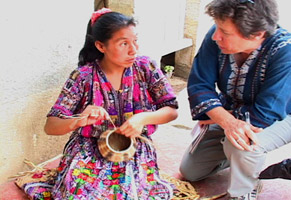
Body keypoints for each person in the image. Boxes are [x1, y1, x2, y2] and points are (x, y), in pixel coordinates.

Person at [23, 8, 179, 199]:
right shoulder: (83, 76)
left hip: (133, 150)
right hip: (88, 150)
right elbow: (51, 126)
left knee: (130, 193)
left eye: (135, 41)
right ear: (100, 46)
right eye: (123, 43)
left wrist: (143, 119)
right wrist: (79, 120)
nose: (133, 50)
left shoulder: (145, 67)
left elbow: (171, 110)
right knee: (78, 193)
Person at [179, 0, 291, 199]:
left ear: (257, 34)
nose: (216, 36)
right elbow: (199, 84)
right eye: (217, 27)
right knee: (191, 171)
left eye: (225, 32)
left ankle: (245, 189)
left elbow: (266, 113)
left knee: (241, 143)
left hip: (287, 116)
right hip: (231, 111)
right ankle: (241, 161)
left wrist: (220, 117)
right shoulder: (216, 35)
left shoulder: (289, 51)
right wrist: (226, 120)